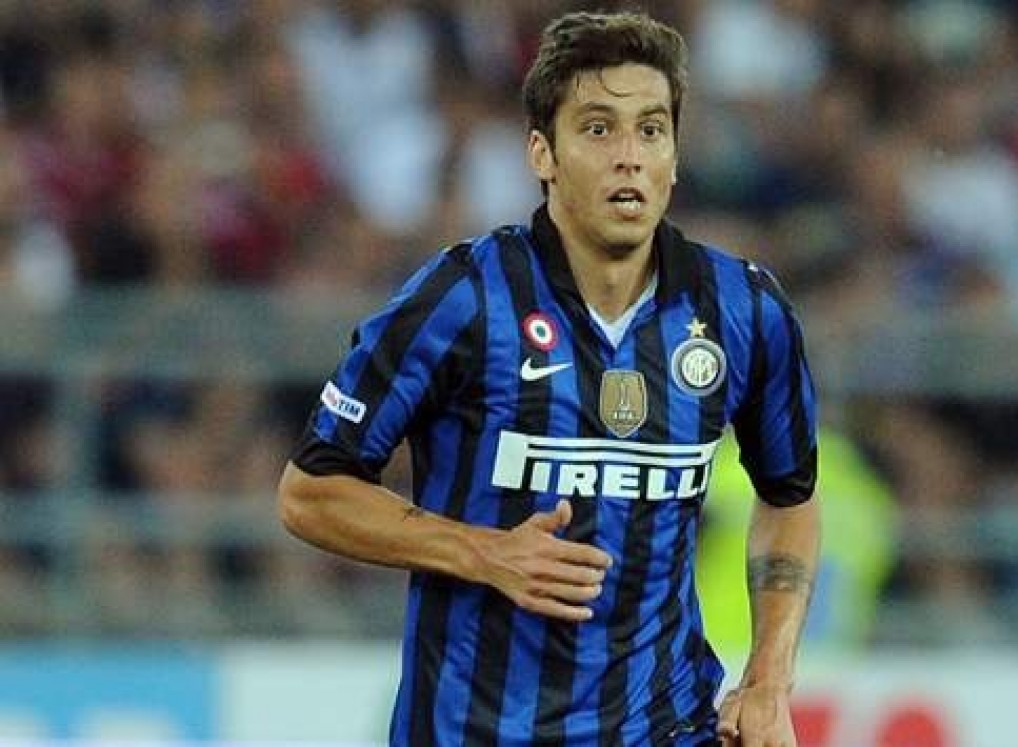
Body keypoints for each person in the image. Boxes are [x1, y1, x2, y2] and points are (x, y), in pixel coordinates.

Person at [277, 10, 820, 746]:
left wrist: (768, 677)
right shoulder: (465, 299)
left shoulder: (744, 309)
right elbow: (310, 492)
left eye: (651, 130)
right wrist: (482, 551)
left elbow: (790, 496)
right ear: (543, 153)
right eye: (599, 129)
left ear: (674, 156)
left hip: (667, 727)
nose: (629, 156)